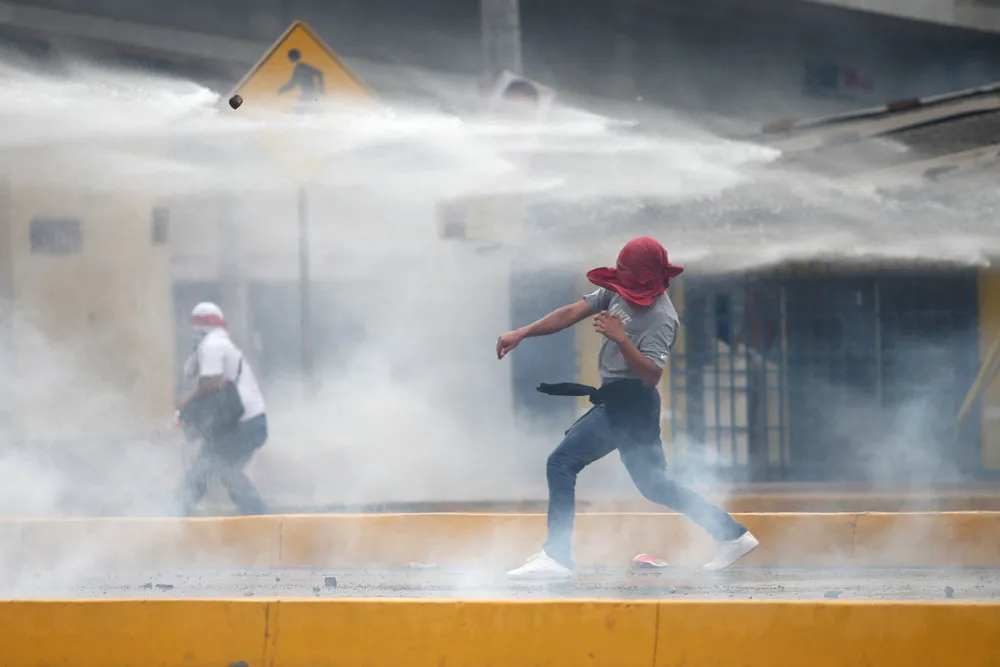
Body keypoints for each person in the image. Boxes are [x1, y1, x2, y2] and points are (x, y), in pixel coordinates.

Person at [497, 237, 758, 579]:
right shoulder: (617, 290)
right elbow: (572, 312)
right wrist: (523, 332)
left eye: (625, 269)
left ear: (645, 275)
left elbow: (651, 375)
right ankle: (732, 536)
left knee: (561, 462)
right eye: (618, 267)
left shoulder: (661, 318)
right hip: (619, 400)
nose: (618, 273)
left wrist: (621, 338)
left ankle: (557, 557)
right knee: (655, 485)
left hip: (631, 404)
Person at [175, 302, 269, 516]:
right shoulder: (219, 344)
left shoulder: (213, 345)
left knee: (216, 466)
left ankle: (259, 515)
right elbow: (195, 374)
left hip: (244, 425)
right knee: (214, 467)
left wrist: (186, 406)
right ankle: (179, 509)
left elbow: (210, 383)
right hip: (246, 424)